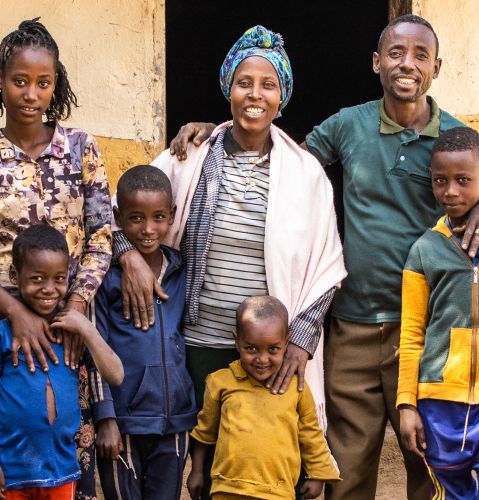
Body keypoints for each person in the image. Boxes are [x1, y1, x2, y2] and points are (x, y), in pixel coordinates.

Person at [168, 15, 479, 499]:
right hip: (353, 325)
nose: (407, 64)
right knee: (347, 466)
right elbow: (287, 156)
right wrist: (219, 129)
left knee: (429, 458)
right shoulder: (348, 124)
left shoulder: (459, 143)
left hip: (428, 329)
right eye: (396, 52)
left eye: (421, 55)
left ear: (437, 67)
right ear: (376, 62)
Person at [114, 25, 345, 498]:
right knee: (209, 460)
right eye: (244, 82)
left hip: (271, 351)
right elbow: (122, 209)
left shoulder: (306, 173)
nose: (255, 95)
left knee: (269, 463)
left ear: (283, 96)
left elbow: (328, 266)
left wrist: (299, 342)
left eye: (268, 84)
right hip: (199, 343)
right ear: (228, 88)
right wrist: (127, 257)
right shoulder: (190, 154)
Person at [0, 19, 112, 498]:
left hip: (67, 327)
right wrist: (13, 311)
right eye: (19, 81)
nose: (31, 94)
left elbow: (103, 235)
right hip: (5, 326)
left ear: (56, 84)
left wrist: (78, 305)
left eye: (43, 83)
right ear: (1, 82)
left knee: (68, 447)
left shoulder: (81, 148)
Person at [91, 165, 197, 500]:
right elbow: (94, 351)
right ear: (119, 217)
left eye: (159, 217)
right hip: (124, 422)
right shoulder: (105, 278)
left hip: (175, 421)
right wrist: (105, 417)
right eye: (136, 218)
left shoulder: (182, 269)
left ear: (173, 216)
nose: (148, 229)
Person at [0, 225, 123, 500]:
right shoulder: (5, 333)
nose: (49, 289)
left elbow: (116, 375)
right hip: (10, 471)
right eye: (37, 278)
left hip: (61, 471)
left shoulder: (72, 333)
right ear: (14, 276)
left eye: (58, 278)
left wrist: (87, 329)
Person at [187, 296, 340, 500]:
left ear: (287, 343)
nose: (262, 359)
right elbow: (205, 433)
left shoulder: (296, 388)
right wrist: (196, 472)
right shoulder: (220, 383)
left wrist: (318, 475)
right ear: (237, 341)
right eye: (251, 349)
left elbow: (311, 435)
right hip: (228, 491)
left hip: (278, 491)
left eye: (273, 349)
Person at [397, 127, 479, 498]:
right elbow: (412, 334)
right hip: (439, 402)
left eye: (464, 181)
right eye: (440, 181)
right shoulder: (424, 251)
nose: (450, 191)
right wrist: (406, 405)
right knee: (449, 490)